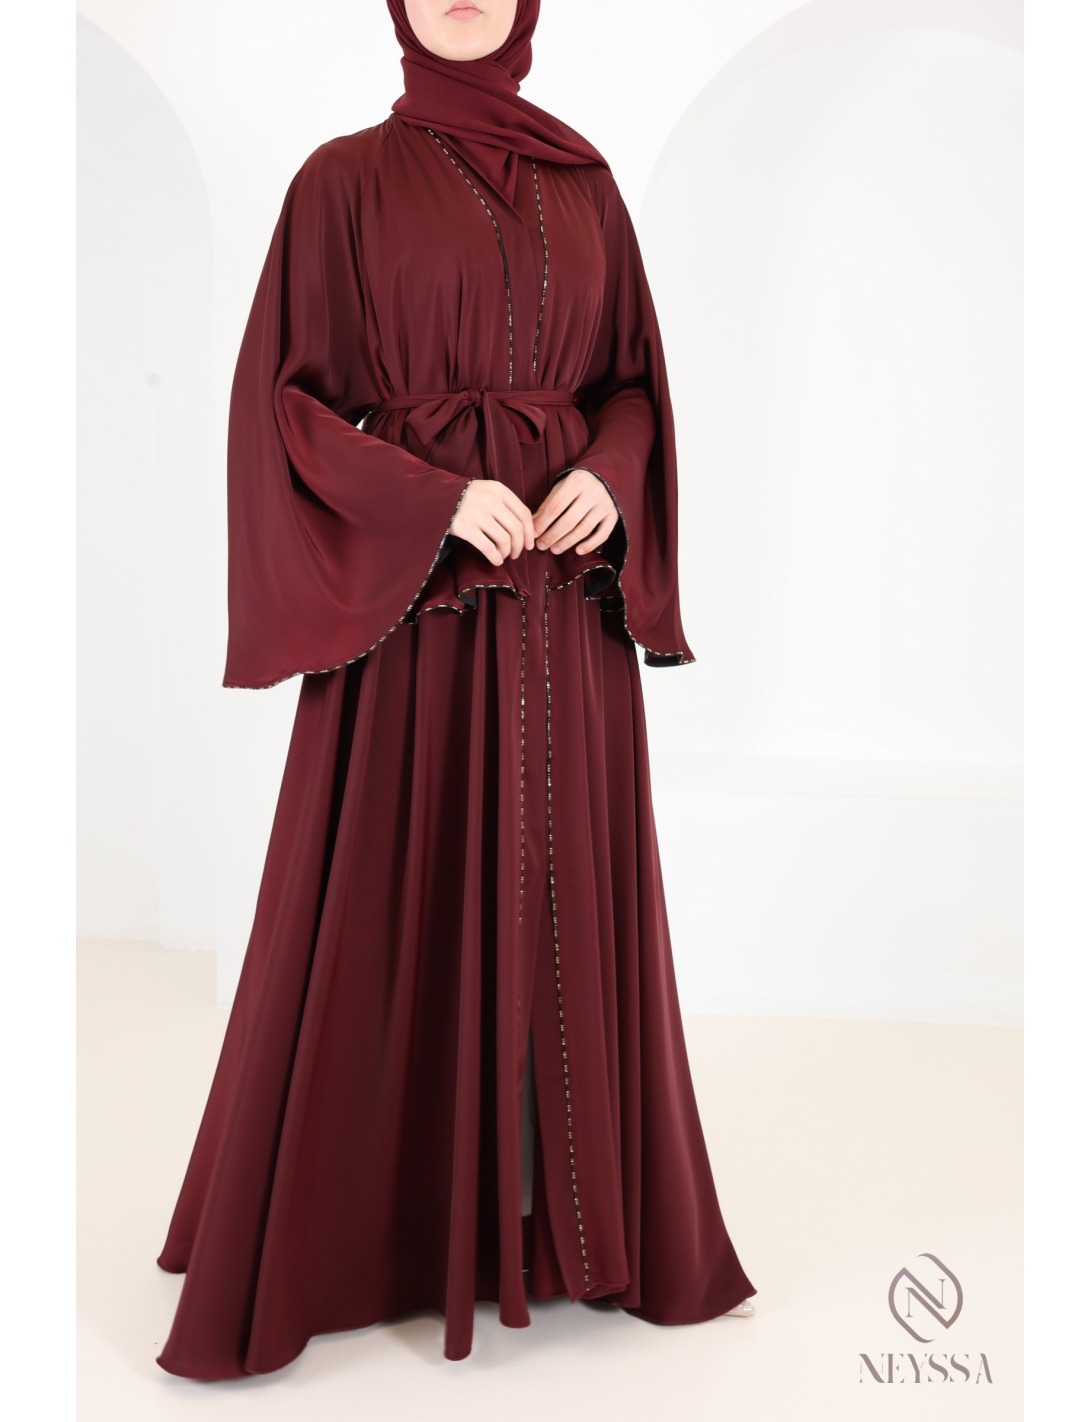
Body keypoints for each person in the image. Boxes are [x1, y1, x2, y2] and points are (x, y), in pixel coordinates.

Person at [154, 0, 757, 1379]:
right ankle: (369, 1233)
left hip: (565, 615)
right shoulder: (342, 183)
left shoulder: (586, 184)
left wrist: (608, 472)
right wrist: (431, 498)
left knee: (562, 894)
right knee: (386, 897)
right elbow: (287, 405)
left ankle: (565, 1229)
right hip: (421, 617)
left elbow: (632, 384)